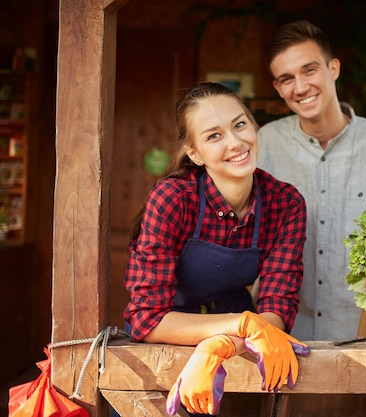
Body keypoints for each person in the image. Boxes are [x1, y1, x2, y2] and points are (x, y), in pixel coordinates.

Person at [123, 82, 309, 416]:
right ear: (194, 153)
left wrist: (222, 345)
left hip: (240, 357)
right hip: (164, 350)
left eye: (239, 125)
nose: (236, 143)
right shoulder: (174, 199)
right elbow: (146, 320)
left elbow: (277, 310)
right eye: (214, 136)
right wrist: (242, 325)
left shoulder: (286, 203)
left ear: (253, 125)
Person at [257, 20, 366, 342]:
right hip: (287, 341)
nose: (300, 87)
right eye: (286, 79)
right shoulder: (264, 144)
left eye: (310, 70)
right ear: (278, 88)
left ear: (333, 68)